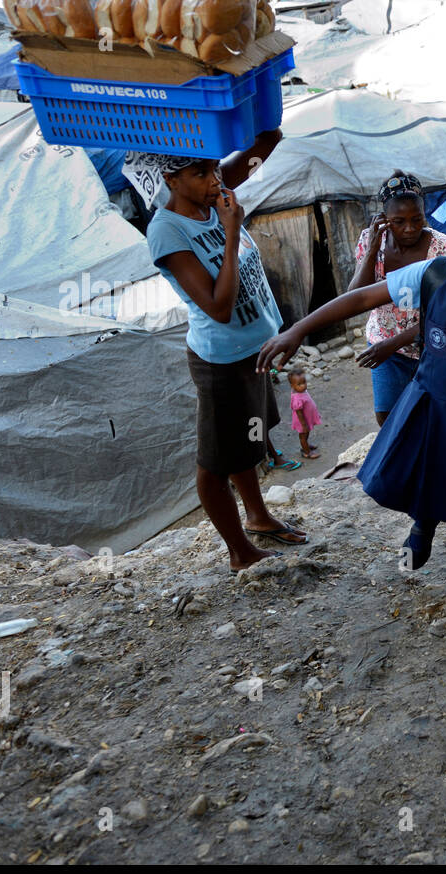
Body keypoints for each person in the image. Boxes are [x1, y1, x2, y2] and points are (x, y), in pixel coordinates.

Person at [259, 176, 446, 590]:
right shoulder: (434, 274)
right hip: (431, 400)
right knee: (428, 470)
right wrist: (298, 330)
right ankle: (422, 530)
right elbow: (361, 299)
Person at [126, 130, 309, 572]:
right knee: (214, 463)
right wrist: (230, 233)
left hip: (255, 351)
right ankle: (238, 551)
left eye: (213, 168)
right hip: (220, 362)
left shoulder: (213, 190)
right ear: (171, 179)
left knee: (248, 441)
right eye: (200, 173)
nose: (214, 180)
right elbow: (219, 307)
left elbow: (269, 137)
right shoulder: (167, 232)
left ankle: (259, 516)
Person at [351, 171, 446, 425]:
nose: (410, 228)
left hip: (433, 347)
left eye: (417, 219)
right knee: (388, 418)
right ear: (384, 219)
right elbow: (355, 296)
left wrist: (391, 344)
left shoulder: (444, 249)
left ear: (425, 213)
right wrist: (372, 251)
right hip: (384, 346)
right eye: (398, 221)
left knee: (435, 415)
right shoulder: (370, 241)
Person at [288, 369, 323, 459]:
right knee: (303, 436)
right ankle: (307, 452)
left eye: (304, 382)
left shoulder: (301, 391)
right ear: (292, 385)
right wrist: (304, 425)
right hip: (302, 421)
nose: (303, 386)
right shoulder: (297, 398)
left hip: (307, 418)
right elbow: (299, 412)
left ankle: (306, 445)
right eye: (299, 384)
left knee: (306, 434)